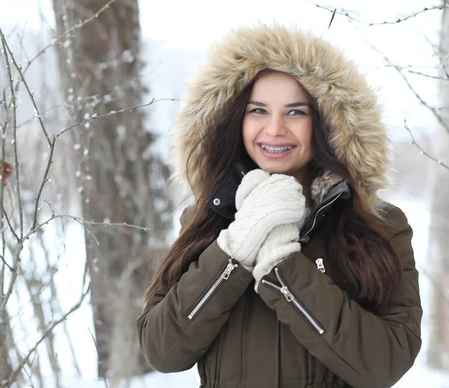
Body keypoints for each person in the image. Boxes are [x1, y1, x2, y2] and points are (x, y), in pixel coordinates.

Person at [137, 25, 422, 388]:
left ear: (325, 124)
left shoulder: (378, 225)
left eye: (295, 112)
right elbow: (162, 349)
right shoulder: (205, 219)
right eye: (258, 110)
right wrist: (235, 249)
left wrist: (284, 271)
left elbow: (387, 363)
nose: (274, 129)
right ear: (234, 120)